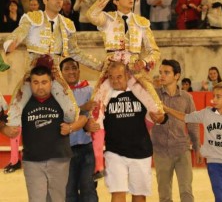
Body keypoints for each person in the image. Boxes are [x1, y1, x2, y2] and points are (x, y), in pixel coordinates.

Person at [3, 0, 102, 128]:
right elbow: (18, 33)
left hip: (54, 73)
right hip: (33, 73)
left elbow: (75, 52)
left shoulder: (67, 24)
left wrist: (100, 65)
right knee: (13, 114)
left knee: (71, 112)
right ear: (45, 0)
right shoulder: (32, 18)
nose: (59, 1)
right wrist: (11, 44)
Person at [87, 61, 166, 202]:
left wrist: (160, 118)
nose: (115, 80)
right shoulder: (104, 96)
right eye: (111, 77)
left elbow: (157, 113)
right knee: (117, 193)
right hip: (115, 152)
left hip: (141, 151)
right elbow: (95, 122)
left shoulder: (140, 92)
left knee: (139, 195)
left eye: (119, 76)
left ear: (126, 76)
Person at [3, 66, 73, 202]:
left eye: (44, 82)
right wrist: (6, 130)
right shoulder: (21, 103)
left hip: (59, 159)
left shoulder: (62, 101)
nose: (40, 87)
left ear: (51, 83)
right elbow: (5, 122)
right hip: (32, 162)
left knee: (58, 200)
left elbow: (79, 116)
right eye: (36, 82)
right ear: (30, 83)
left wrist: (71, 127)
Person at [150, 59, 200, 202]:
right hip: (160, 151)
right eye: (160, 72)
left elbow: (192, 124)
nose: (162, 76)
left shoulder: (186, 98)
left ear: (177, 76)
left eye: (166, 72)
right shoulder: (153, 95)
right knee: (164, 196)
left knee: (186, 193)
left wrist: (197, 148)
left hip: (182, 150)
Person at [60, 57, 98, 202]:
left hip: (87, 147)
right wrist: (83, 108)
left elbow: (94, 115)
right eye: (67, 69)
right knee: (68, 192)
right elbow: (62, 116)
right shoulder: (57, 93)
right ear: (61, 72)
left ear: (79, 70)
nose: (71, 71)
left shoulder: (89, 90)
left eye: (74, 68)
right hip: (64, 149)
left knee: (88, 189)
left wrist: (91, 124)